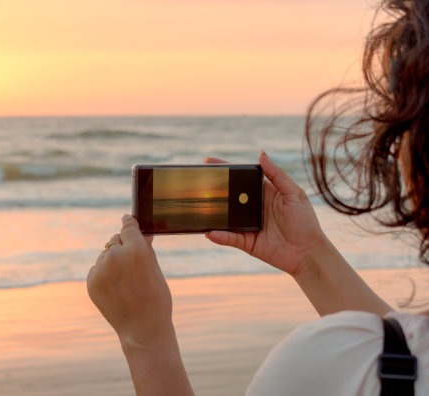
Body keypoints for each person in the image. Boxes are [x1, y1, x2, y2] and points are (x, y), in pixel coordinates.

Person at [87, 0, 429, 394]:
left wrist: (144, 340)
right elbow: (401, 355)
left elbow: (396, 361)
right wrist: (308, 256)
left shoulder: (323, 361)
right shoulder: (375, 360)